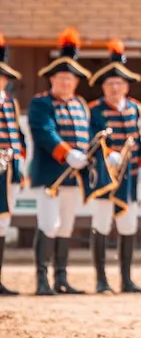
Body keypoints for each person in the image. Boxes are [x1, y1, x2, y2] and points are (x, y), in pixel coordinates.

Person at [28, 28, 92, 296]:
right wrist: (66, 153)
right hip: (50, 176)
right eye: (62, 78)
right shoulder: (41, 103)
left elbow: (87, 136)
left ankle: (61, 279)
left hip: (73, 178)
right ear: (52, 79)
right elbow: (44, 132)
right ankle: (42, 280)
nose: (66, 83)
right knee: (49, 224)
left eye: (70, 79)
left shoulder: (80, 104)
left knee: (66, 226)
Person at [87, 40, 141, 294]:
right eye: (111, 84)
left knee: (128, 226)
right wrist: (107, 154)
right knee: (101, 224)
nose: (115, 88)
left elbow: (140, 141)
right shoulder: (94, 110)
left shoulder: (135, 108)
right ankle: (101, 279)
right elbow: (90, 141)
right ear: (103, 86)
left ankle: (127, 279)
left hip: (129, 177)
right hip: (105, 176)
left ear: (126, 86)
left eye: (119, 84)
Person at [0, 35, 27, 296]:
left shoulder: (9, 102)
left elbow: (17, 136)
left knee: (2, 225)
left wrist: (20, 164)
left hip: (9, 172)